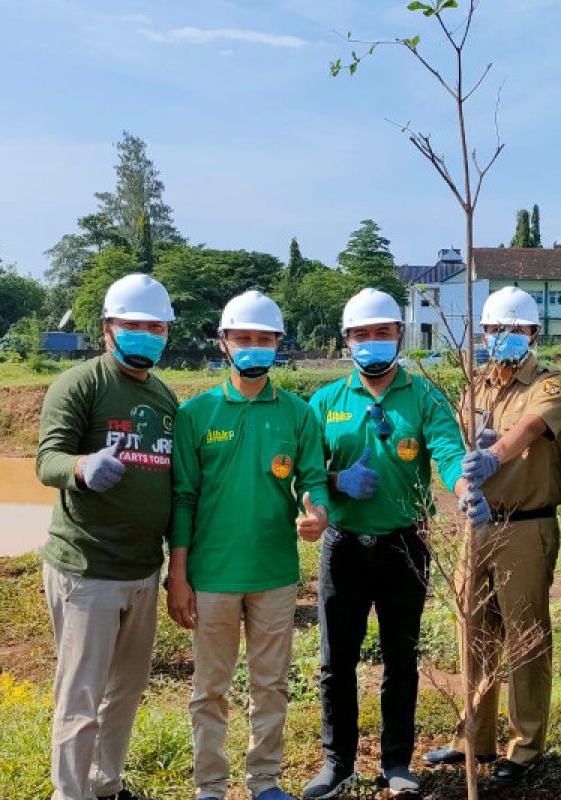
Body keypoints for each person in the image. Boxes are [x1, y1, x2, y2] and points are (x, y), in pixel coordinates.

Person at [303, 288, 484, 800]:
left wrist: (466, 488)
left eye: (382, 333)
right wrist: (336, 483)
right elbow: (308, 472)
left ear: (399, 336)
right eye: (362, 335)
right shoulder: (326, 403)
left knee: (400, 658)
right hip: (343, 547)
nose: (373, 343)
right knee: (336, 660)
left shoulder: (423, 397)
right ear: (347, 342)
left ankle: (397, 762)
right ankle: (337, 763)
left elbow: (449, 453)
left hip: (404, 546)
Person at [168, 291, 331, 800]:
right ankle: (210, 786)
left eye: (264, 340)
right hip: (212, 577)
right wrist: (178, 575)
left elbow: (313, 479)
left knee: (271, 686)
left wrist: (318, 512)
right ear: (224, 344)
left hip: (275, 575)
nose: (254, 348)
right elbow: (183, 499)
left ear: (279, 345)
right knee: (210, 690)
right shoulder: (197, 414)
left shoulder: (298, 414)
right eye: (244, 339)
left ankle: (264, 781)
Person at [35, 273, 178, 800]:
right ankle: (69, 794)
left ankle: (105, 784)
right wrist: (80, 466)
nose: (146, 334)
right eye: (133, 325)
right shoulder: (80, 385)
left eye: (155, 326)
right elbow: (46, 460)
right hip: (87, 569)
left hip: (142, 570)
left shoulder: (164, 396)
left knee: (126, 691)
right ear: (108, 328)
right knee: (80, 696)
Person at [423, 285, 561, 784]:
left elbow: (528, 431)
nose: (502, 338)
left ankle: (526, 747)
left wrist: (494, 454)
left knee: (526, 637)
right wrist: (469, 481)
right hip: (479, 523)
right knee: (474, 632)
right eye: (493, 330)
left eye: (513, 330)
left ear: (533, 333)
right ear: (482, 333)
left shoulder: (549, 384)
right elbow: (462, 443)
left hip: (526, 525)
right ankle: (474, 740)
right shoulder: (476, 385)